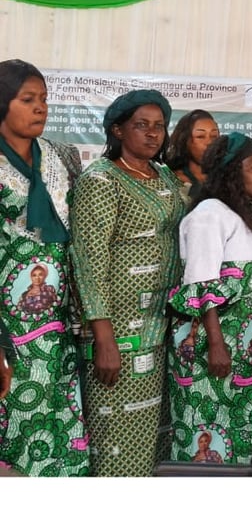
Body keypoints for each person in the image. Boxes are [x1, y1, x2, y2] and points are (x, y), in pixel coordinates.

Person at [70, 89, 186, 477]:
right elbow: (88, 261)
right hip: (118, 333)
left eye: (160, 126)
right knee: (118, 442)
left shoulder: (164, 174)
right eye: (142, 125)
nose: (153, 134)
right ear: (118, 130)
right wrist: (104, 339)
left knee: (156, 442)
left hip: (161, 328)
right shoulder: (101, 180)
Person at [168, 132, 252, 464]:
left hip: (245, 350)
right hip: (215, 347)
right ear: (232, 171)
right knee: (207, 426)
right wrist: (216, 346)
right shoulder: (209, 214)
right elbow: (201, 284)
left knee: (242, 429)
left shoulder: (243, 216)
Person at [0, 59, 89, 476]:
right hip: (9, 328)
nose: (40, 107)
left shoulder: (62, 156)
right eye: (27, 99)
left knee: (59, 419)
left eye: (44, 99)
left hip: (59, 323)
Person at [167, 109, 220, 201]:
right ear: (184, 140)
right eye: (200, 136)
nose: (209, 142)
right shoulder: (174, 180)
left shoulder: (227, 176)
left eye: (214, 136)